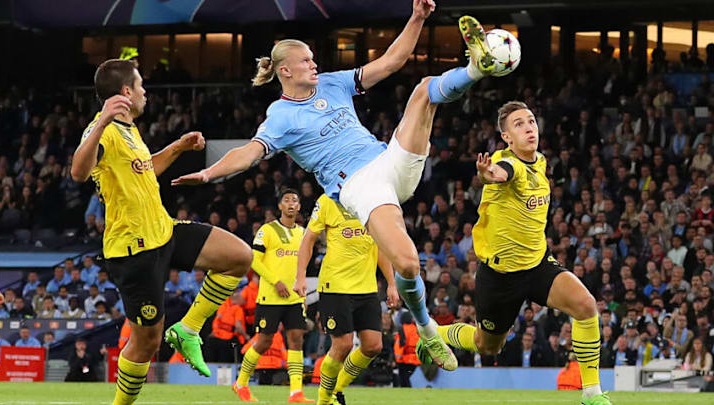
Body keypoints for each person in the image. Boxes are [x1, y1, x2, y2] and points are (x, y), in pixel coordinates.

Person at [172, 0, 498, 372]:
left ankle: (476, 67)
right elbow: (249, 153)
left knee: (424, 90)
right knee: (407, 264)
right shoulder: (280, 117)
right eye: (307, 60)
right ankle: (428, 332)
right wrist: (209, 173)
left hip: (389, 160)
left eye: (313, 59)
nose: (314, 64)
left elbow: (391, 62)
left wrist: (417, 18)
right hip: (360, 187)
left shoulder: (333, 83)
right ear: (285, 70)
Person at [70, 59, 252, 405]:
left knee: (239, 257)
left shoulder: (128, 129)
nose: (145, 94)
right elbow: (79, 171)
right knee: (146, 344)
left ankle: (188, 329)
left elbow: (145, 169)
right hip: (133, 251)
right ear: (125, 92)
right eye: (141, 87)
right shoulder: (104, 128)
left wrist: (179, 147)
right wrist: (103, 120)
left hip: (163, 231)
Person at [418, 101, 611, 405]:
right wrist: (487, 174)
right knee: (487, 345)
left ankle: (592, 394)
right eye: (518, 124)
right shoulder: (507, 163)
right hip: (500, 275)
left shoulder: (541, 162)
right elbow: (499, 173)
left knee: (586, 306)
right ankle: (437, 335)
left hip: (536, 264)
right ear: (506, 137)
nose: (528, 127)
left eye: (531, 120)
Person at [295, 193, 399, 405]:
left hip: (367, 288)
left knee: (373, 346)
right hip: (335, 286)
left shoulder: (371, 198)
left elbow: (380, 247)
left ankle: (337, 389)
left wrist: (391, 283)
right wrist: (300, 276)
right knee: (343, 345)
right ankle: (324, 400)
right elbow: (308, 240)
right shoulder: (327, 201)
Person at [233, 189, 314, 403]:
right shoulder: (267, 230)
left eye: (294, 201)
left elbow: (303, 263)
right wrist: (275, 281)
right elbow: (254, 260)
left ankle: (296, 392)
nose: (290, 204)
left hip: (294, 297)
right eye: (286, 200)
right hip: (270, 297)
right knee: (264, 341)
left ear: (298, 207)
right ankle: (241, 383)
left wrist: (302, 283)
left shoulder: (303, 233)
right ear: (279, 206)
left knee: (296, 339)